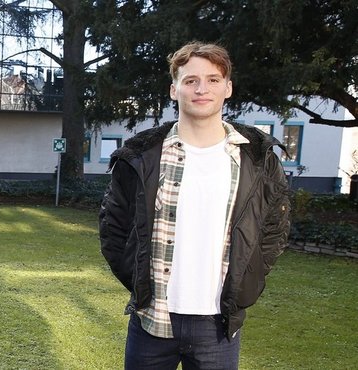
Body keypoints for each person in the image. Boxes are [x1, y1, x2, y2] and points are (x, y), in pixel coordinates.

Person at [99, 42, 291, 369]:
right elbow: (113, 228)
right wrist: (137, 280)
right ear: (174, 89)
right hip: (153, 319)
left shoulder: (256, 159)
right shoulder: (142, 157)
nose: (202, 88)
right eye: (191, 81)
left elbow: (275, 228)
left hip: (218, 325)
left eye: (213, 80)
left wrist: (249, 276)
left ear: (228, 88)